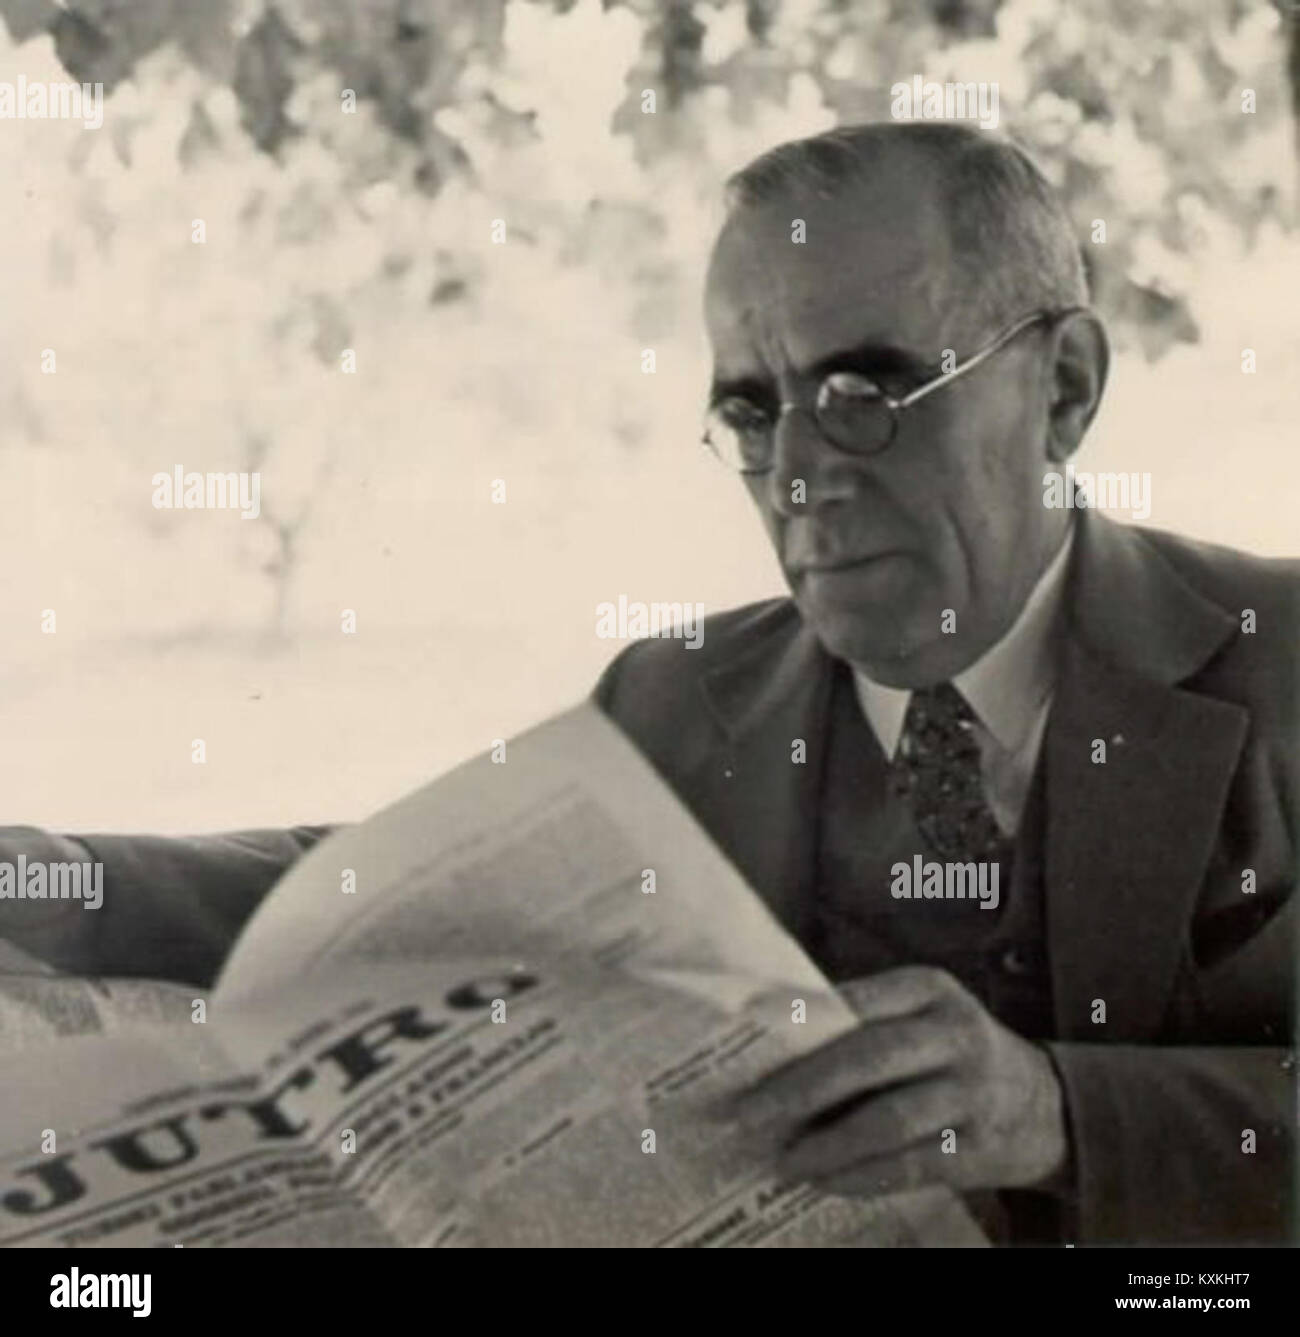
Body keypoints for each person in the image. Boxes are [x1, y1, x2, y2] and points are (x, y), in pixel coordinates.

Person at [2, 124, 1293, 1245]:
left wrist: (1059, 1112)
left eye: (863, 394)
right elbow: (399, 897)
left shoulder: (1276, 662)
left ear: (1064, 389)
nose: (800, 477)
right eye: (753, 415)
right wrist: (63, 881)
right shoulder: (685, 701)